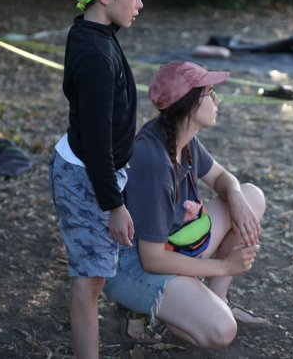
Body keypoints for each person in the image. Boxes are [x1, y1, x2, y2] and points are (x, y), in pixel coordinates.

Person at [48, 0, 212, 359]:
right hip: (88, 177)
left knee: (97, 271)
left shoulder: (95, 26)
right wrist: (115, 206)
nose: (141, 3)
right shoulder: (97, 59)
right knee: (89, 281)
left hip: (91, 169)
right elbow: (98, 145)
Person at [103, 61, 269, 349]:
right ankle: (148, 308)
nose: (218, 100)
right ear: (190, 105)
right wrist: (224, 265)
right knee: (220, 332)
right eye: (211, 93)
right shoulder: (153, 162)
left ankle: (217, 301)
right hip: (134, 266)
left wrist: (237, 199)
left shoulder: (180, 135)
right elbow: (151, 259)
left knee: (251, 195)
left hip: (177, 242)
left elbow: (221, 176)